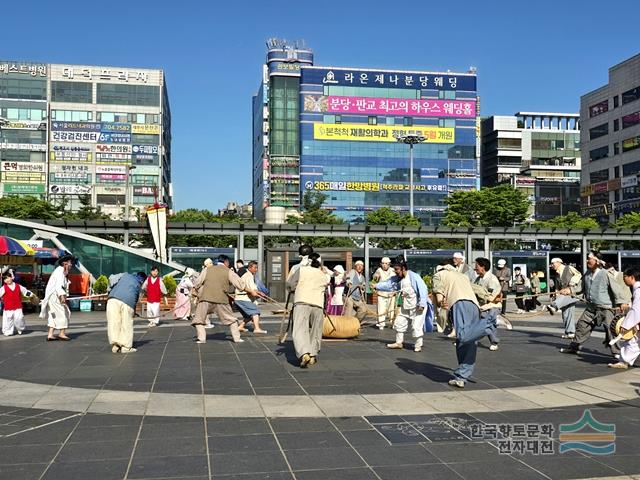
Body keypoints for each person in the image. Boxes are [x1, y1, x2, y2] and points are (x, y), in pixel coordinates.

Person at [560, 252, 630, 358]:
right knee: (581, 325)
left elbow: (617, 289)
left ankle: (617, 352)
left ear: (597, 261)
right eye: (587, 259)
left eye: (589, 259)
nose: (587, 261)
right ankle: (574, 347)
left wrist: (622, 302)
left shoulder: (606, 274)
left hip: (606, 308)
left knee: (611, 330)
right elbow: (580, 287)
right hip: (591, 307)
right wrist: (569, 290)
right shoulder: (587, 273)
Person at [432, 259, 489, 388]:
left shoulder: (439, 274)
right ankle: (462, 376)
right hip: (473, 305)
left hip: (459, 303)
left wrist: (441, 302)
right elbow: (476, 289)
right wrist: (489, 297)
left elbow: (438, 289)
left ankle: (487, 325)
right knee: (467, 341)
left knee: (463, 337)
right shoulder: (461, 275)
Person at [375, 257, 432, 352]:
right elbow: (389, 284)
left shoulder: (414, 277)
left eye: (397, 269)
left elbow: (423, 289)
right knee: (399, 322)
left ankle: (418, 345)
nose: (396, 272)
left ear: (403, 268)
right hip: (405, 305)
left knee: (416, 326)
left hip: (417, 306)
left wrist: (422, 303)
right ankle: (398, 342)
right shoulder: (398, 278)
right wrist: (376, 286)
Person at [286, 253, 330, 367]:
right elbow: (325, 290)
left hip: (302, 301)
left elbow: (290, 284)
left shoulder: (301, 270)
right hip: (318, 304)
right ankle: (313, 355)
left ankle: (304, 353)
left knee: (300, 329)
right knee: (315, 330)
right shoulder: (323, 274)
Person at [191, 254, 245, 344]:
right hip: (221, 299)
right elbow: (240, 285)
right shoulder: (228, 271)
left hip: (205, 298)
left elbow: (197, 283)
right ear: (226, 262)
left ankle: (201, 339)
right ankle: (237, 338)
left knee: (198, 320)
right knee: (231, 319)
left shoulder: (207, 269)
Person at [474, 257, 509, 351]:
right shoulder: (478, 279)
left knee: (485, 324)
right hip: (482, 306)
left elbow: (491, 297)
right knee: (489, 325)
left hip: (492, 306)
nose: (475, 268)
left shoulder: (491, 279)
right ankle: (493, 341)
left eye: (476, 266)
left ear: (483, 267)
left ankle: (474, 339)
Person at [106, 272, 147, 353]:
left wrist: (109, 289)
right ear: (143, 280)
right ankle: (126, 347)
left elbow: (111, 277)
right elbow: (135, 299)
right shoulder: (139, 285)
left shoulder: (124, 274)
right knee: (126, 323)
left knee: (114, 322)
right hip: (128, 302)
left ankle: (115, 345)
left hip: (112, 299)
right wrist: (134, 312)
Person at [608, 266, 640, 369]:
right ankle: (623, 361)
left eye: (625, 276)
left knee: (632, 341)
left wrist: (626, 325)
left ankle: (623, 362)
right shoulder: (637, 289)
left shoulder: (638, 290)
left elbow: (637, 309)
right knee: (633, 342)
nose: (623, 279)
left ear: (631, 277)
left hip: (636, 320)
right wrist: (628, 305)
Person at [546, 257, 582, 339]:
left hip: (574, 292)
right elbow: (558, 287)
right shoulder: (557, 274)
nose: (552, 265)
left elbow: (578, 274)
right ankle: (570, 332)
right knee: (567, 313)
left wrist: (572, 284)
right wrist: (556, 294)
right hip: (564, 295)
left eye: (553, 263)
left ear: (559, 262)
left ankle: (554, 306)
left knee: (567, 312)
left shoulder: (568, 268)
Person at [41, 255, 74, 341]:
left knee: (53, 314)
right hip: (55, 296)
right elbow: (59, 285)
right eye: (70, 263)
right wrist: (62, 295)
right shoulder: (60, 271)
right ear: (65, 263)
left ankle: (50, 334)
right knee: (64, 313)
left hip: (53, 296)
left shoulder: (61, 271)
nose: (71, 265)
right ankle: (62, 333)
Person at [235, 261, 268, 334]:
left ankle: (240, 326)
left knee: (249, 315)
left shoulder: (248, 275)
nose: (256, 269)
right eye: (255, 268)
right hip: (243, 298)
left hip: (240, 298)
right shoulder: (248, 276)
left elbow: (253, 289)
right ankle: (257, 328)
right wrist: (260, 293)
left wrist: (260, 293)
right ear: (250, 268)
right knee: (255, 311)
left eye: (257, 268)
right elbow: (252, 290)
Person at [0, 271, 34, 336]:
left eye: (8, 278)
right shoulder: (3, 288)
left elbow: (25, 292)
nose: (7, 280)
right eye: (5, 279)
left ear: (12, 277)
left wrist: (32, 295)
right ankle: (8, 330)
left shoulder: (18, 286)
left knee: (19, 318)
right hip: (8, 307)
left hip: (18, 306)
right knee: (8, 320)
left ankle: (20, 328)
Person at [372, 257, 395, 330]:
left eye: (386, 263)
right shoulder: (379, 270)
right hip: (381, 293)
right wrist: (376, 277)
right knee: (381, 309)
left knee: (392, 309)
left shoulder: (393, 270)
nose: (384, 265)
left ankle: (392, 323)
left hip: (391, 293)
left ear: (389, 264)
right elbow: (375, 277)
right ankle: (381, 323)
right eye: (383, 263)